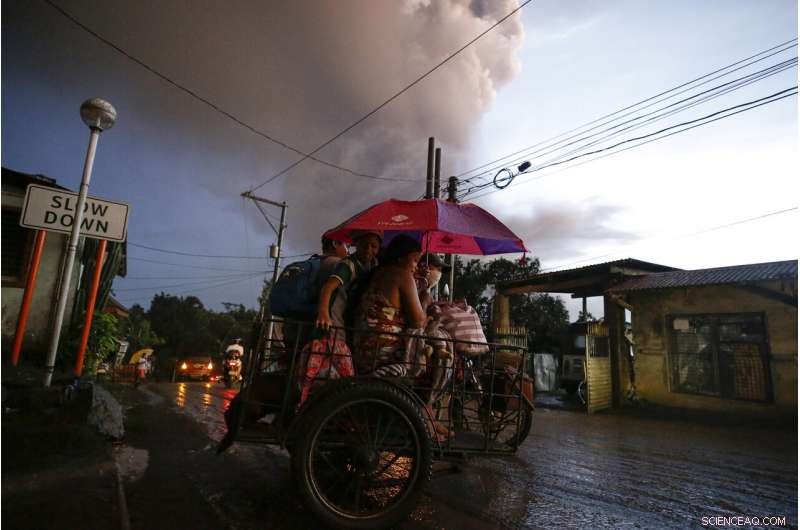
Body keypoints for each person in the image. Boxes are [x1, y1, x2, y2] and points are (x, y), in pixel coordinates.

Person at [315, 230, 382, 339]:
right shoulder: (347, 265)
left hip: (350, 313)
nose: (368, 249)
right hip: (335, 311)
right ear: (356, 244)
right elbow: (328, 287)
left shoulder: (374, 264)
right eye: (364, 245)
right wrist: (323, 313)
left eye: (374, 246)